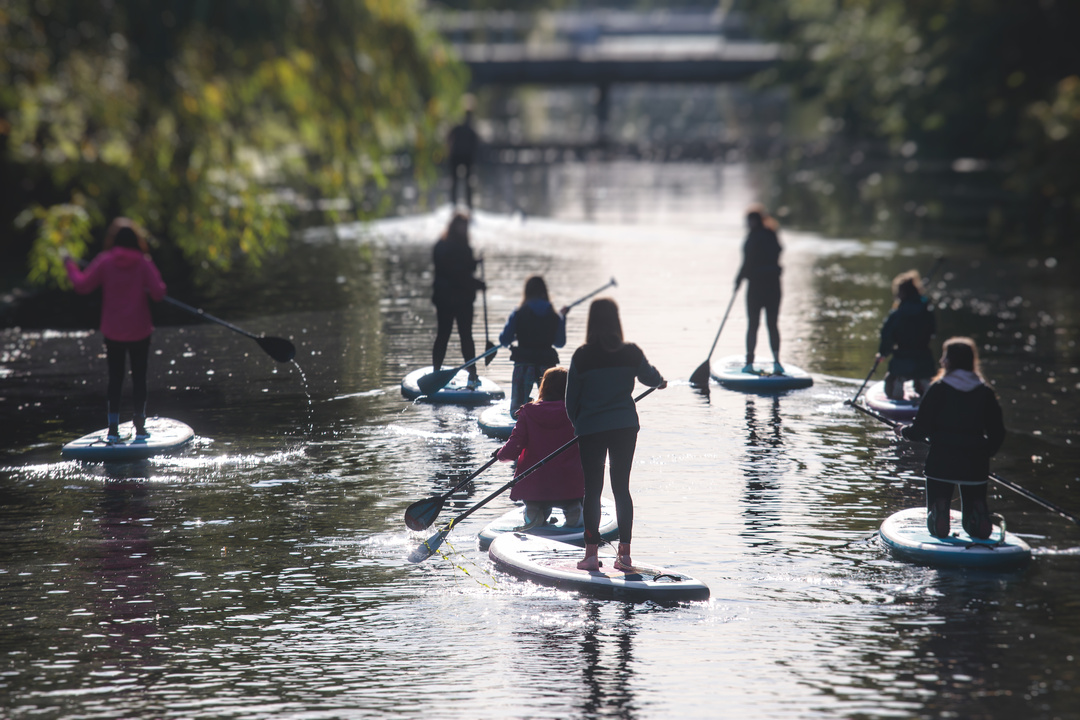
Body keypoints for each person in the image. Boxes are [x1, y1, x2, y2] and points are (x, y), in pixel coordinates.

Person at [565, 298, 666, 571]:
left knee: (592, 491)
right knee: (621, 489)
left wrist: (579, 425)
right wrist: (660, 381)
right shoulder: (630, 352)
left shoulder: (582, 356)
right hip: (624, 427)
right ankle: (625, 556)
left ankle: (590, 555)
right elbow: (650, 378)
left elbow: (570, 401)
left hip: (591, 429)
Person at [64, 218, 167, 440]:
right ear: (136, 240)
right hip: (139, 330)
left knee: (115, 378)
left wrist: (70, 265)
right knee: (139, 378)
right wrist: (152, 287)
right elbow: (159, 293)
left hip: (113, 331)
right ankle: (140, 426)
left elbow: (82, 285)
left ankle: (112, 429)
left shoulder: (105, 261)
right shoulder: (143, 262)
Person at [895, 337, 1006, 540]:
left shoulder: (938, 389)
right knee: (973, 504)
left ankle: (938, 514)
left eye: (945, 356)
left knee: (938, 513)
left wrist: (903, 431)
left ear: (951, 361)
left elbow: (920, 430)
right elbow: (998, 433)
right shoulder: (985, 392)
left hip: (941, 460)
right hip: (975, 462)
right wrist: (985, 452)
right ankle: (977, 515)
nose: (941, 361)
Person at [495, 367, 583, 528]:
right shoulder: (578, 412)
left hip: (535, 486)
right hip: (570, 484)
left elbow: (513, 448)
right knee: (573, 500)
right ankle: (573, 511)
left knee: (535, 502)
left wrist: (500, 455)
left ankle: (534, 512)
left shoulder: (528, 411)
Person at [498, 276, 568, 418]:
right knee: (554, 406)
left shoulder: (519, 312)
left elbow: (504, 340)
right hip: (547, 367)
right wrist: (562, 318)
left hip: (523, 364)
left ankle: (521, 414)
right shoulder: (553, 315)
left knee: (516, 411)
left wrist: (516, 334)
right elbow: (559, 343)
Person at [432, 211, 485, 389]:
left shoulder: (443, 245)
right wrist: (477, 284)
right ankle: (464, 374)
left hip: (450, 299)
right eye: (462, 226)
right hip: (455, 299)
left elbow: (461, 268)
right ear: (455, 226)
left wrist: (475, 263)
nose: (464, 229)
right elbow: (457, 274)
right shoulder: (454, 247)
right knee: (451, 336)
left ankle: (470, 374)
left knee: (461, 336)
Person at [735, 206, 784, 375]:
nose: (747, 224)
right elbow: (777, 254)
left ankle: (749, 363)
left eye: (748, 220)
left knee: (753, 325)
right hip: (774, 286)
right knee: (772, 324)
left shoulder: (752, 237)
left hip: (756, 287)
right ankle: (777, 362)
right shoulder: (772, 235)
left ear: (754, 221)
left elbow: (747, 262)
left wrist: (738, 280)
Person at [877, 269, 937, 400]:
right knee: (924, 380)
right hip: (924, 360)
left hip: (902, 360)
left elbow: (887, 335)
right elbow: (933, 332)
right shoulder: (927, 310)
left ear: (901, 293)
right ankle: (922, 384)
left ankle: (899, 384)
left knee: (891, 391)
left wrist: (883, 353)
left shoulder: (897, 314)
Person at [447, 104, 480, 208]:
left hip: (459, 156)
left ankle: (455, 204)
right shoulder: (471, 130)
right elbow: (477, 145)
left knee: (458, 181)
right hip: (463, 156)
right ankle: (466, 204)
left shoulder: (459, 128)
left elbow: (448, 138)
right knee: (466, 182)